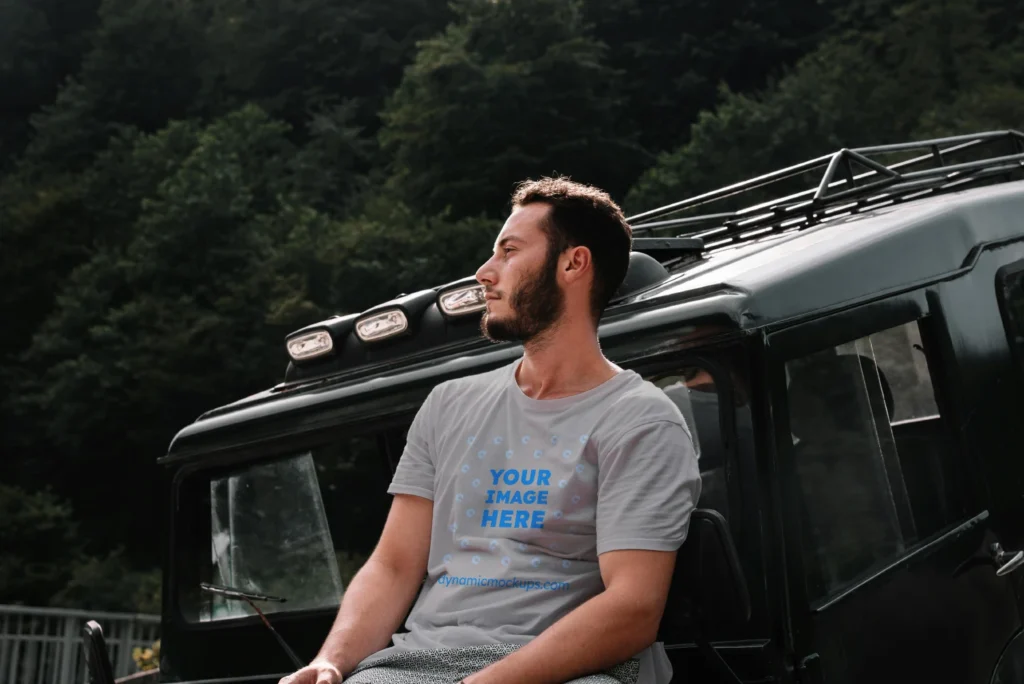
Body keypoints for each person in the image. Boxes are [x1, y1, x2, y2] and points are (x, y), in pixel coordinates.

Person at [279, 177, 701, 684]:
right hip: (415, 666)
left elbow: (633, 609)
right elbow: (393, 566)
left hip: (570, 670)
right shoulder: (448, 404)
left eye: (509, 251)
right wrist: (332, 661)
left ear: (573, 264)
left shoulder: (641, 420)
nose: (484, 272)